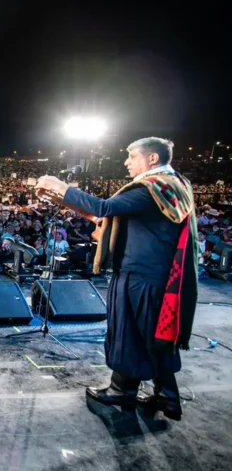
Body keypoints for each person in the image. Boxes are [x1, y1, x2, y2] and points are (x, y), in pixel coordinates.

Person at [36, 137, 197, 421]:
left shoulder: (152, 188)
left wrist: (62, 187)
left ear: (152, 160)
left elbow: (105, 208)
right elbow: (113, 215)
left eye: (131, 156)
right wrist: (64, 200)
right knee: (150, 335)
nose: (126, 162)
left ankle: (123, 390)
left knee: (129, 331)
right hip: (154, 273)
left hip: (140, 274)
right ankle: (166, 396)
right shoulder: (175, 185)